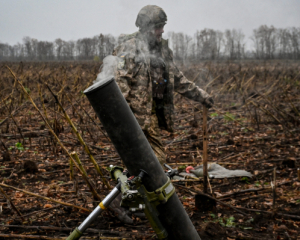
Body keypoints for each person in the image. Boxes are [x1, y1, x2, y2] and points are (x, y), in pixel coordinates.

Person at [112, 5, 214, 166]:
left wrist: (202, 96)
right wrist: (121, 119)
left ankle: (144, 187)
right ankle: (140, 188)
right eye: (158, 27)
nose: (162, 31)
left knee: (155, 160)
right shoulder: (129, 47)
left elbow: (178, 79)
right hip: (133, 117)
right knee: (143, 161)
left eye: (163, 26)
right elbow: (120, 83)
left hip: (150, 115)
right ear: (146, 28)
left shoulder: (163, 51)